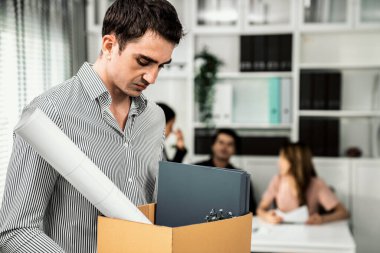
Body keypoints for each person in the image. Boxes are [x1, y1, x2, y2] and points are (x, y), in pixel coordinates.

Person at [0, 0, 183, 252]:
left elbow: (152, 206)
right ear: (109, 45)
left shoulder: (154, 117)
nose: (152, 78)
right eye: (143, 61)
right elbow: (16, 231)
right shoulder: (50, 113)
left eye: (161, 66)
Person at [257, 142, 349, 225]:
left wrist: (322, 219)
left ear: (295, 162)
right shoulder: (277, 180)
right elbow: (260, 209)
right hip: (282, 233)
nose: (279, 162)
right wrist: (267, 216)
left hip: (308, 233)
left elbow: (343, 213)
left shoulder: (316, 183)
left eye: (282, 158)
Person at [195, 128, 257, 214]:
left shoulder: (241, 177)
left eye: (230, 144)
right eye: (221, 142)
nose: (224, 147)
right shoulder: (196, 169)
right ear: (213, 145)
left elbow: (251, 208)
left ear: (234, 150)